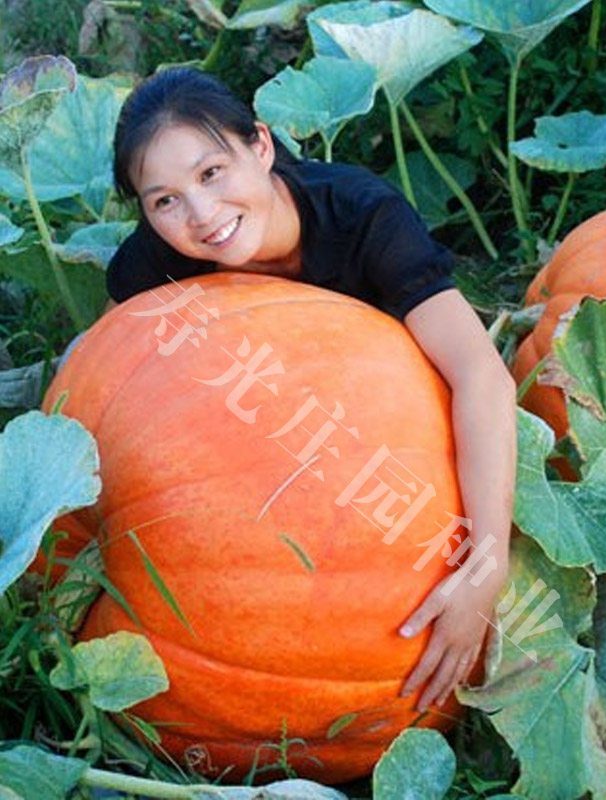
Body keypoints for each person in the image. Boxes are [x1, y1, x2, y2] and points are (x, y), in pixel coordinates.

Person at [107, 67, 517, 712]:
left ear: (261, 146)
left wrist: (486, 567)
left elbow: (481, 375)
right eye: (164, 201)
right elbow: (109, 374)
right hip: (269, 451)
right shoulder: (156, 263)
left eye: (212, 173)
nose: (202, 215)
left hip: (390, 459)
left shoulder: (364, 217)